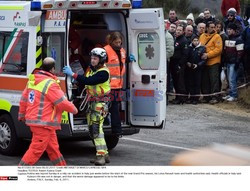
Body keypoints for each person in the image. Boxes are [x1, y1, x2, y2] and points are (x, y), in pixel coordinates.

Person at [18, 57, 78, 166]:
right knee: (36, 150)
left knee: (53, 149)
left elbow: (23, 100)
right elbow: (62, 102)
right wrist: (74, 110)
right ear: (52, 69)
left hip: (39, 123)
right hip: (43, 124)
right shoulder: (50, 84)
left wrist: (21, 115)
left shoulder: (32, 81)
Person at [63, 48, 111, 166]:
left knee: (96, 130)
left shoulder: (104, 73)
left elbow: (90, 81)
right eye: (92, 58)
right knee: (92, 130)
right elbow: (83, 82)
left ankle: (100, 156)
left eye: (95, 58)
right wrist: (75, 92)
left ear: (101, 60)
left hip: (100, 104)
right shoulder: (91, 69)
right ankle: (105, 154)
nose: (92, 60)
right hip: (91, 103)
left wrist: (73, 74)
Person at [103, 32, 135, 137]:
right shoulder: (105, 51)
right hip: (108, 85)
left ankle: (114, 128)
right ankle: (115, 129)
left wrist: (128, 59)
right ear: (111, 41)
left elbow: (122, 63)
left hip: (118, 85)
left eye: (120, 42)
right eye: (116, 42)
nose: (118, 44)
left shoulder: (122, 51)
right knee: (111, 107)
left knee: (114, 107)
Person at [200, 21, 223, 104]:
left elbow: (218, 49)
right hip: (204, 62)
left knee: (214, 80)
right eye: (211, 27)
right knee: (205, 80)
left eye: (214, 27)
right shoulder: (202, 36)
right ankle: (206, 96)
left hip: (214, 61)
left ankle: (215, 96)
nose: (213, 28)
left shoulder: (217, 37)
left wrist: (208, 55)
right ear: (207, 28)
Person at [222, 23, 244, 101]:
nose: (228, 31)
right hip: (228, 62)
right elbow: (225, 51)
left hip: (234, 63)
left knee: (232, 79)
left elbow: (240, 53)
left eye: (230, 29)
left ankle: (234, 95)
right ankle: (230, 93)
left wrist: (237, 63)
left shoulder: (239, 39)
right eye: (228, 29)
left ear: (234, 30)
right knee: (228, 79)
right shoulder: (227, 38)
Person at [169, 24, 189, 104]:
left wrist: (180, 64)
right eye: (177, 30)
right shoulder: (175, 39)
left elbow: (185, 54)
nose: (178, 31)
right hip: (173, 63)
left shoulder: (183, 40)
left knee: (180, 82)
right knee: (175, 81)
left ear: (183, 31)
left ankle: (181, 98)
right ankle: (177, 97)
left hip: (179, 64)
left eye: (180, 30)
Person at [186, 36, 206, 104]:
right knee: (190, 83)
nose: (196, 42)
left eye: (197, 40)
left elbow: (203, 60)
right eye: (194, 40)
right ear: (192, 41)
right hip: (190, 68)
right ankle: (191, 97)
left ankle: (196, 98)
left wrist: (198, 65)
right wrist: (187, 63)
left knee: (197, 83)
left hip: (198, 69)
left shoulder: (202, 48)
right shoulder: (189, 48)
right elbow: (186, 56)